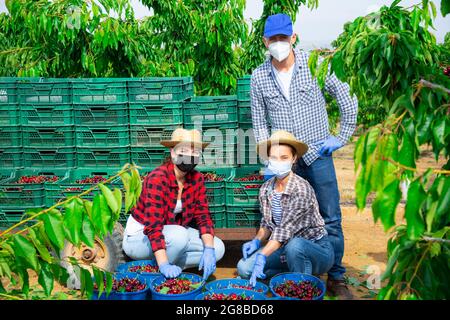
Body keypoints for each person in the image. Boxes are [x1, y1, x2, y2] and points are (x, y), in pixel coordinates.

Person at [250, 13, 358, 299]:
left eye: (283, 38)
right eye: (273, 39)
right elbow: (259, 121)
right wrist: (269, 158)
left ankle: (336, 276)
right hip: (286, 159)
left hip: (318, 154)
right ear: (265, 41)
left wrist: (341, 135)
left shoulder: (316, 64)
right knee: (285, 217)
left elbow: (347, 98)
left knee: (330, 216)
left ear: (293, 38)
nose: (278, 44)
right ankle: (294, 268)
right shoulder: (259, 77)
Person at [122, 128, 225, 280]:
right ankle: (159, 268)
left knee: (218, 249)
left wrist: (208, 249)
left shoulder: (197, 179)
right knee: (179, 236)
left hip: (172, 234)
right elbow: (153, 227)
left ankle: (160, 265)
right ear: (172, 152)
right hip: (140, 237)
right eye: (183, 150)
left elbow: (203, 216)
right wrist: (164, 263)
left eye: (195, 152)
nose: (189, 156)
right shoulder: (158, 178)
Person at [237, 130, 334, 287]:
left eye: (284, 157)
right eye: (274, 157)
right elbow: (267, 224)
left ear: (294, 158)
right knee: (244, 268)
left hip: (315, 249)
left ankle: (302, 283)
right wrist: (256, 241)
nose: (278, 161)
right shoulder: (266, 188)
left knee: (295, 246)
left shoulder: (301, 189)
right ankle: (289, 275)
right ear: (268, 158)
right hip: (284, 248)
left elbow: (283, 230)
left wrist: (262, 255)